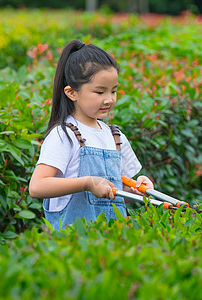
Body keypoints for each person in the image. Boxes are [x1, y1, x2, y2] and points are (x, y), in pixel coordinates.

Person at [29, 40, 153, 230]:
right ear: (71, 93)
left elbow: (117, 193)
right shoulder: (64, 135)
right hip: (71, 244)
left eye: (114, 91)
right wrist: (86, 183)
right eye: (99, 92)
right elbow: (37, 187)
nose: (109, 100)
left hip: (113, 240)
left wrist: (136, 188)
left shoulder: (115, 136)